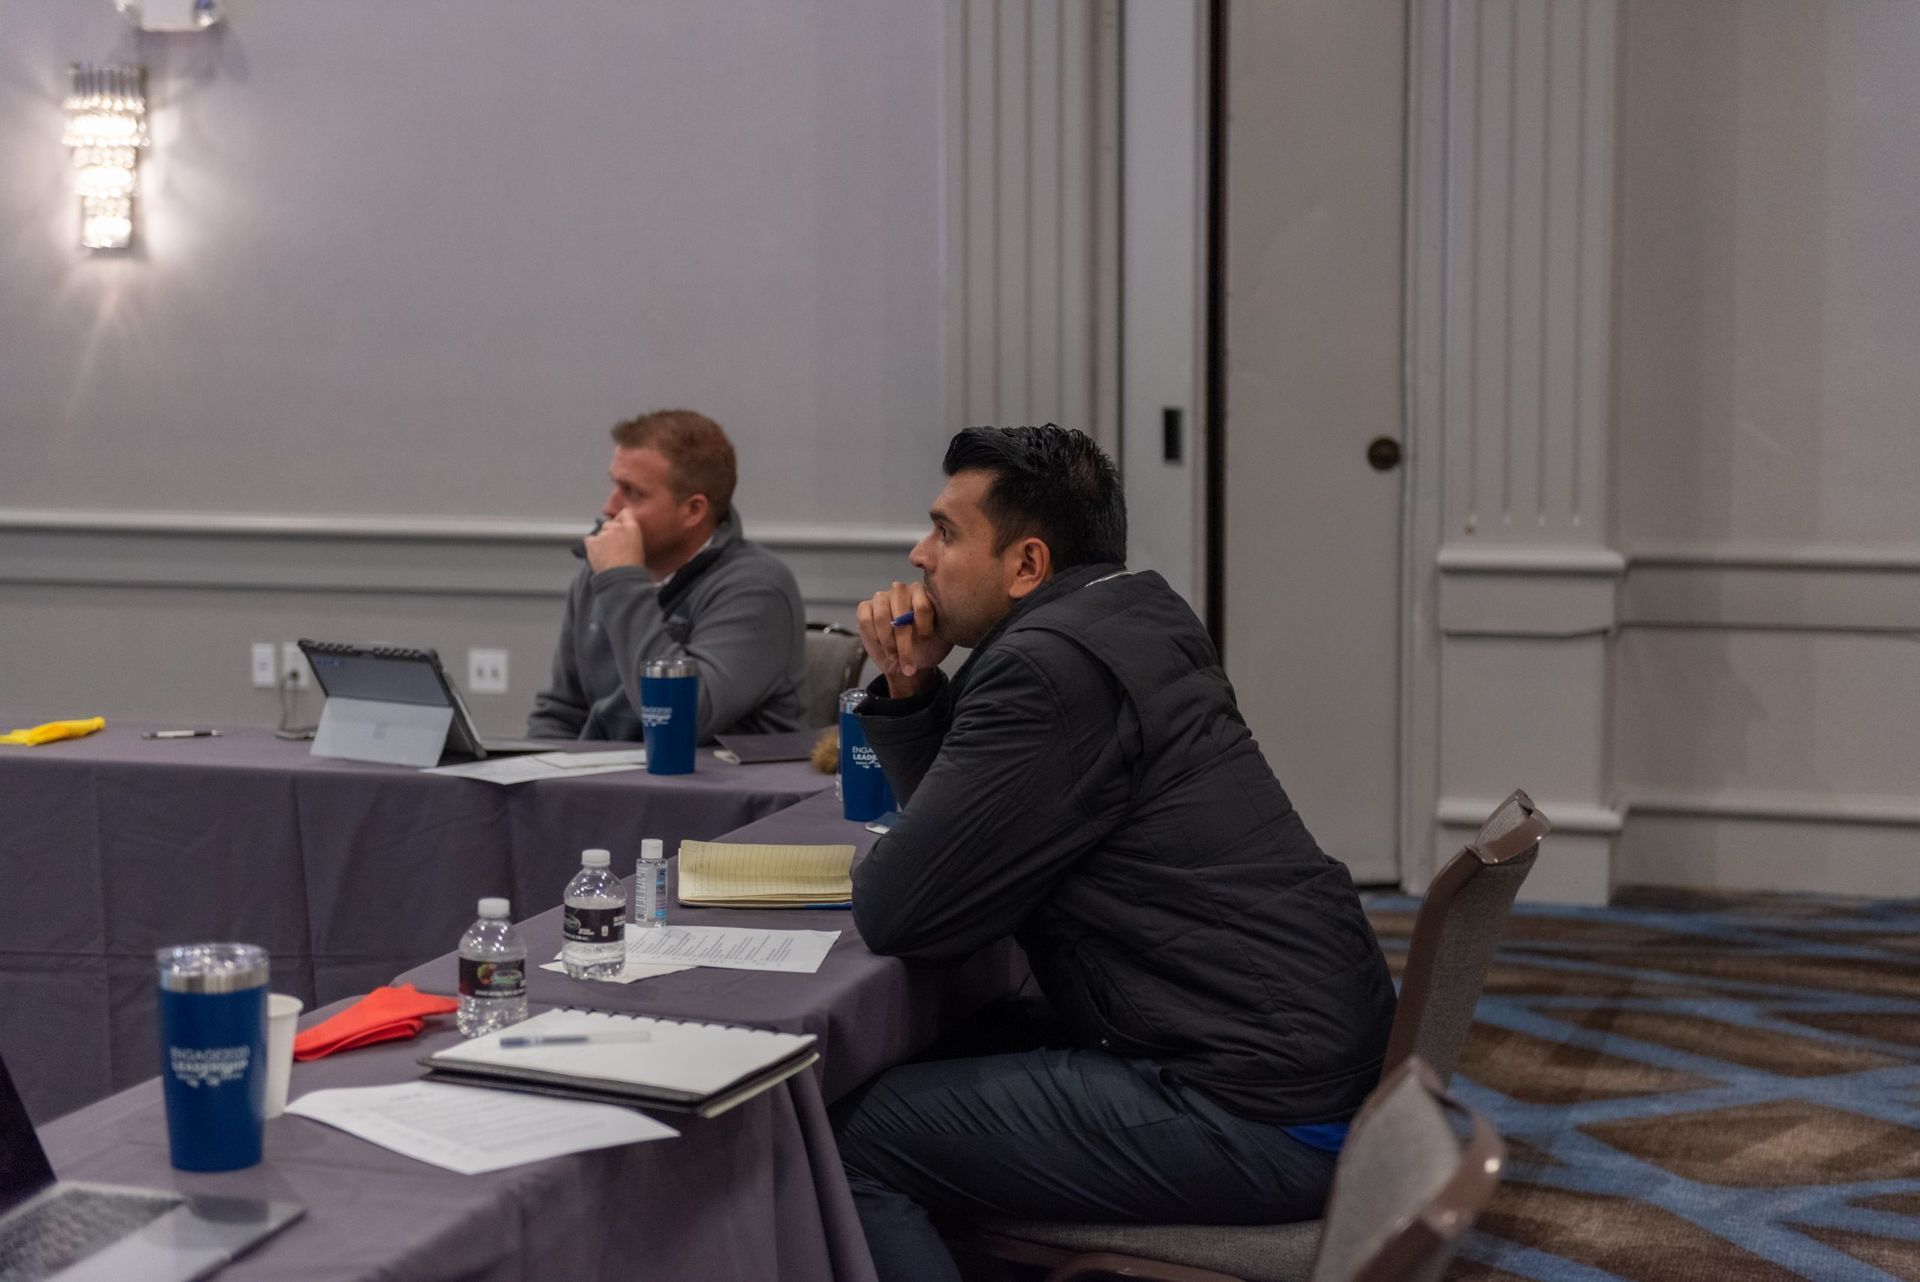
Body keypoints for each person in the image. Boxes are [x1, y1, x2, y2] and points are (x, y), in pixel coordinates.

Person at [832, 425, 1397, 1281]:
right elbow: (956, 861)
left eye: (946, 533)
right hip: (1308, 1059)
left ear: (1027, 566)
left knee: (849, 1143)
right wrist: (911, 692)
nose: (919, 555)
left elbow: (902, 910)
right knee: (939, 1050)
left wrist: (913, 717)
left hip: (1257, 1111)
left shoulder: (1043, 669)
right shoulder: (1139, 612)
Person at [526, 409, 807, 742]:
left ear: (693, 510)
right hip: (608, 783)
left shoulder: (758, 587)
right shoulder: (599, 575)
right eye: (614, 485)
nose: (609, 508)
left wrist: (621, 581)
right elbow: (562, 712)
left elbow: (679, 718)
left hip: (719, 787)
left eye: (633, 493)